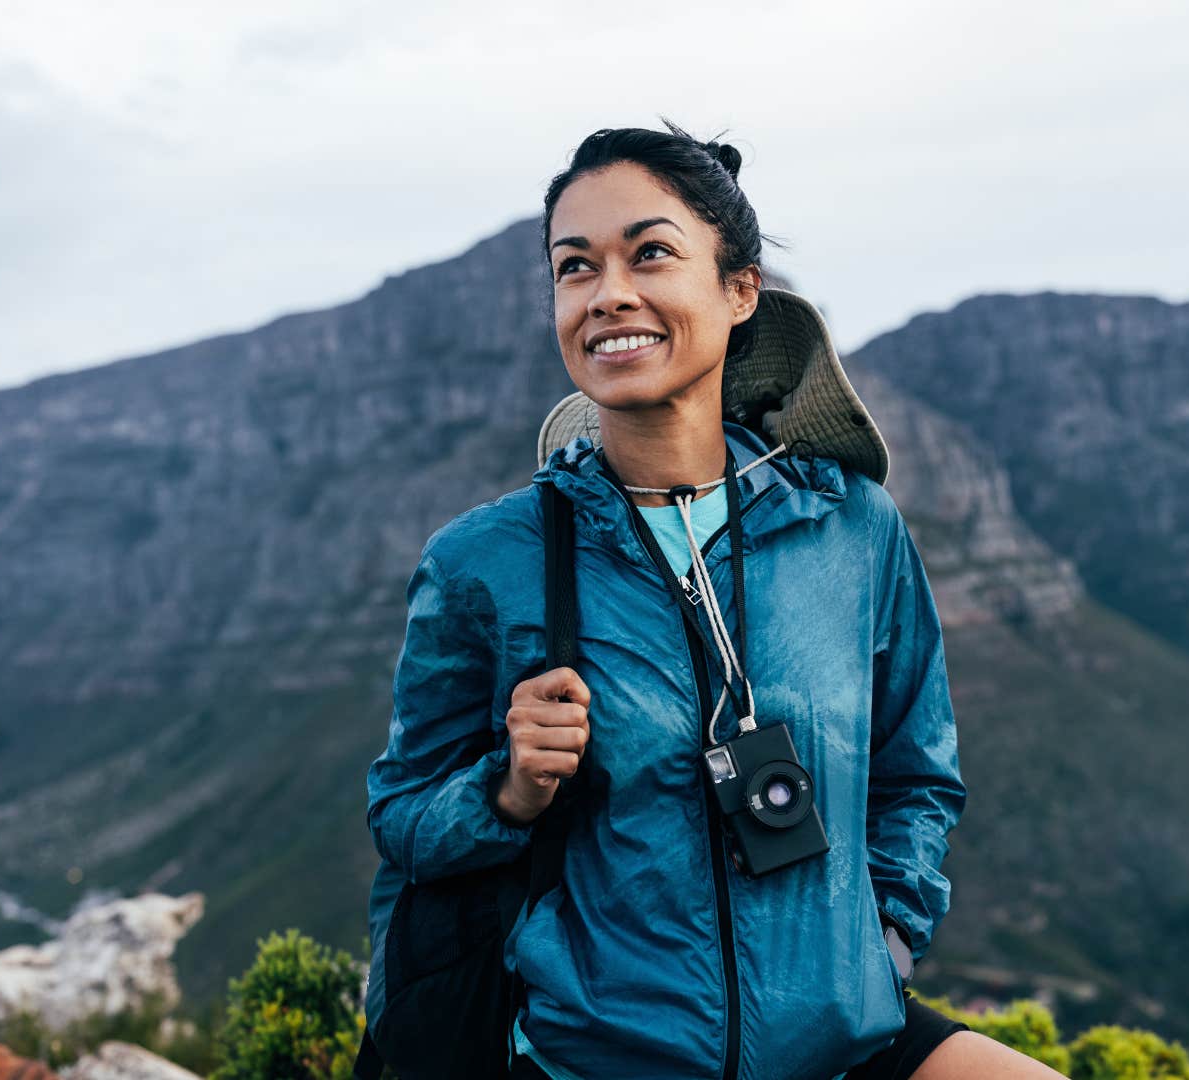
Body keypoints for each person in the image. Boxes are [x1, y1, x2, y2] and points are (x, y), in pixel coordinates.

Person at [367, 120, 1059, 1079]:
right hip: (603, 1058)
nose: (610, 294)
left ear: (740, 292)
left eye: (650, 253)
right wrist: (507, 790)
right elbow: (400, 815)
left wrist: (884, 949)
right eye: (576, 268)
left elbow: (917, 777)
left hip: (843, 1038)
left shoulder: (853, 528)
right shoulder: (486, 562)